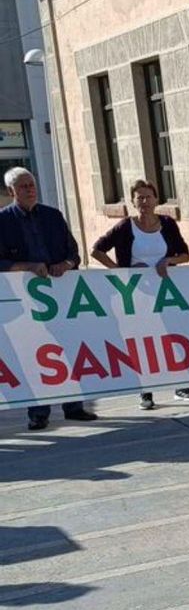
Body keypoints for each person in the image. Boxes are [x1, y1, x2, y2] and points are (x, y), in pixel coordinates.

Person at [0, 167, 95, 430]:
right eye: (23, 186)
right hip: (24, 303)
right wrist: (26, 266)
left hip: (61, 298)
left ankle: (74, 406)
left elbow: (74, 253)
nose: (30, 189)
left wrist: (65, 263)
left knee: (68, 349)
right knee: (35, 354)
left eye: (32, 184)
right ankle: (38, 413)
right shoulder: (3, 221)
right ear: (11, 192)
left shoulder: (53, 216)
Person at [91, 179, 189, 409]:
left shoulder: (168, 224)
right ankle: (145, 392)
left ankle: (181, 385)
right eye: (139, 197)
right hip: (136, 294)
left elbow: (185, 255)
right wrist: (121, 272)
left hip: (166, 292)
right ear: (133, 201)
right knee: (143, 340)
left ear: (156, 199)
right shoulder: (124, 227)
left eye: (148, 196)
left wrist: (169, 260)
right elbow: (97, 250)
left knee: (173, 337)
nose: (145, 201)